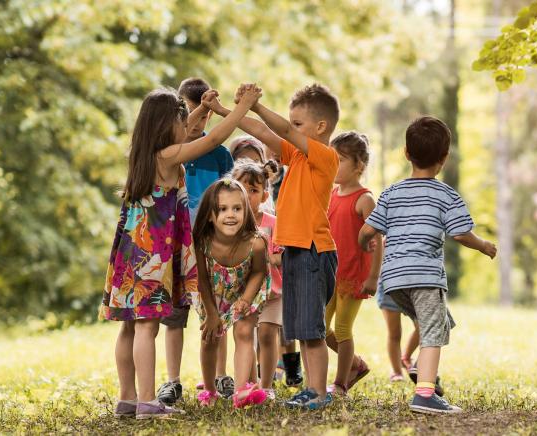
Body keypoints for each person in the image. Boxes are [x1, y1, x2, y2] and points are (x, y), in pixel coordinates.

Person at [99, 85, 260, 419]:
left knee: (129, 326)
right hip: (153, 252)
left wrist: (201, 110)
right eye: (181, 118)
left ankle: (127, 399)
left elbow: (189, 132)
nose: (187, 124)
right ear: (165, 125)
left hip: (132, 250)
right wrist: (242, 107)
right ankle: (146, 401)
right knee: (147, 326)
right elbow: (211, 140)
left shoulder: (144, 154)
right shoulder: (169, 155)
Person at [204, 83, 340, 409]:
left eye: (297, 124)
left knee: (312, 330)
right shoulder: (297, 155)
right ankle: (312, 389)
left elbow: (275, 126)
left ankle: (319, 392)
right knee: (303, 327)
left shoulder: (324, 155)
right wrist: (228, 112)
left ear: (320, 127)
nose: (290, 129)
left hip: (312, 250)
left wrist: (256, 105)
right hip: (295, 249)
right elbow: (264, 132)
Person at [359, 116, 497, 414]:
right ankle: (425, 393)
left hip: (393, 282)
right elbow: (460, 233)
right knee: (433, 331)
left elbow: (367, 231)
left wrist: (363, 244)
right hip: (424, 277)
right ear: (444, 158)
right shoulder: (445, 195)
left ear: (406, 153)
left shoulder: (392, 193)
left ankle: (423, 367)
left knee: (438, 321)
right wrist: (484, 245)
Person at [157, 78, 236, 405]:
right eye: (190, 114)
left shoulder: (217, 154)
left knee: (217, 312)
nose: (196, 122)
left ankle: (220, 375)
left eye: (203, 116)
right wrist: (202, 106)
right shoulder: (168, 152)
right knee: (175, 315)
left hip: (209, 243)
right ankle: (173, 380)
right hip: (176, 246)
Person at [192, 178, 272, 408]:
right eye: (223, 209)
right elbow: (202, 280)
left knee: (245, 332)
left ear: (246, 211)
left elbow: (258, 272)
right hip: (212, 296)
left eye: (237, 208)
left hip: (245, 291)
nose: (231, 215)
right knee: (210, 339)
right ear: (210, 215)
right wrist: (211, 313)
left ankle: (240, 392)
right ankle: (209, 391)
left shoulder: (255, 243)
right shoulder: (201, 243)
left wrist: (246, 299)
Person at [324, 132, 382, 396]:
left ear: (358, 166)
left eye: (340, 160)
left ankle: (340, 383)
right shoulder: (332, 194)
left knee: (343, 328)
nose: (333, 165)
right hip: (330, 273)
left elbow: (377, 240)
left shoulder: (365, 199)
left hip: (354, 275)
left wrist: (373, 277)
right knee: (320, 328)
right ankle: (356, 364)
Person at [230, 159, 283, 400]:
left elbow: (281, 256)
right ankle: (249, 384)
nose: (248, 195)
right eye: (242, 189)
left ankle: (268, 384)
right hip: (244, 293)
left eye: (254, 190)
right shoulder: (232, 223)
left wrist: (269, 256)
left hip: (273, 292)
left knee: (267, 335)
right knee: (244, 336)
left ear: (264, 195)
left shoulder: (273, 222)